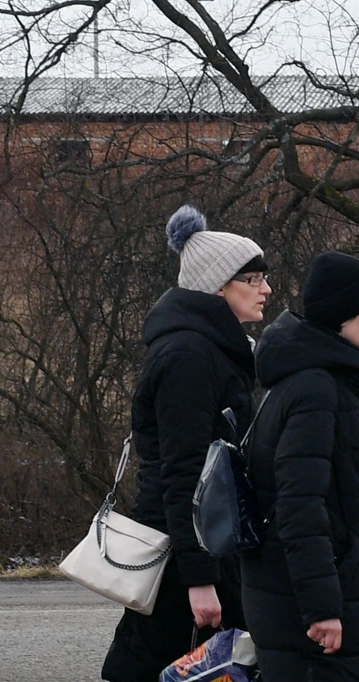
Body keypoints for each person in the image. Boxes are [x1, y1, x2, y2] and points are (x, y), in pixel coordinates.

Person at [101, 205, 269, 682]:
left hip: (208, 545)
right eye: (253, 279)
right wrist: (199, 579)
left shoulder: (214, 349)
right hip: (183, 552)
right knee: (157, 666)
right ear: (217, 287)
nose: (266, 289)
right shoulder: (188, 356)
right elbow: (184, 472)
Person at [242, 251, 359, 682]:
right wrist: (323, 608)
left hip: (310, 606)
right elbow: (300, 508)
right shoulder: (316, 389)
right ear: (342, 315)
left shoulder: (318, 380)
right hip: (308, 618)